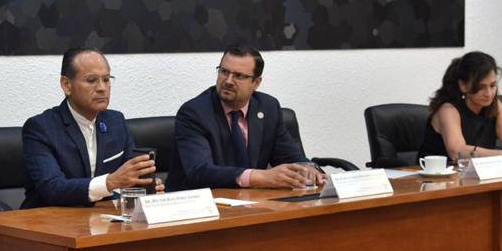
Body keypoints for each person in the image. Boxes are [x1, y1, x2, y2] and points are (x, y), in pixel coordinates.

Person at [170, 44, 323, 191]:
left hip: (251, 202)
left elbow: (290, 157)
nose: (228, 81)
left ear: (256, 82)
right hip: (202, 205)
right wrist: (261, 177)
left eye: (239, 76)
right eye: (224, 71)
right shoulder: (194, 112)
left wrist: (308, 168)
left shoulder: (268, 107)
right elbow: (200, 172)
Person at [22, 48, 161, 208]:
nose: (102, 88)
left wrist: (144, 187)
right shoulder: (41, 128)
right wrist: (110, 182)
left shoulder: (116, 121)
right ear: (66, 85)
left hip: (101, 218)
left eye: (106, 79)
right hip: (48, 222)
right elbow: (53, 188)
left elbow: (129, 177)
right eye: (91, 80)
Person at [420, 51, 502, 164]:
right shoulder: (448, 109)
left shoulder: (495, 105)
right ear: (463, 85)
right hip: (435, 178)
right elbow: (458, 152)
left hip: (477, 175)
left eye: (493, 85)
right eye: (481, 87)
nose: (488, 93)